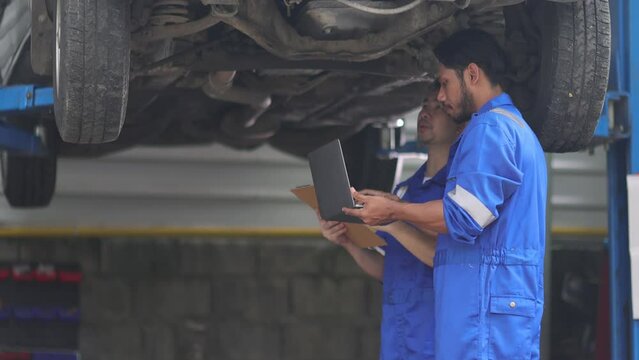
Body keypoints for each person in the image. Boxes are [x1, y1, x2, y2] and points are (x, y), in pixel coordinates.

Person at [343, 29, 548, 359]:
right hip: (487, 313)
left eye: (444, 83)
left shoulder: (491, 128)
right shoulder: (513, 127)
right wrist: (398, 205)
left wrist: (395, 213)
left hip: (482, 322)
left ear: (472, 74)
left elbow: (463, 216)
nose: (440, 96)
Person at [317, 83, 463, 360]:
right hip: (398, 336)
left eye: (438, 107)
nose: (425, 112)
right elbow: (391, 270)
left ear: (460, 126)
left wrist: (391, 219)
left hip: (437, 340)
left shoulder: (459, 191)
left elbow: (443, 256)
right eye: (424, 104)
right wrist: (348, 243)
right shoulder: (406, 190)